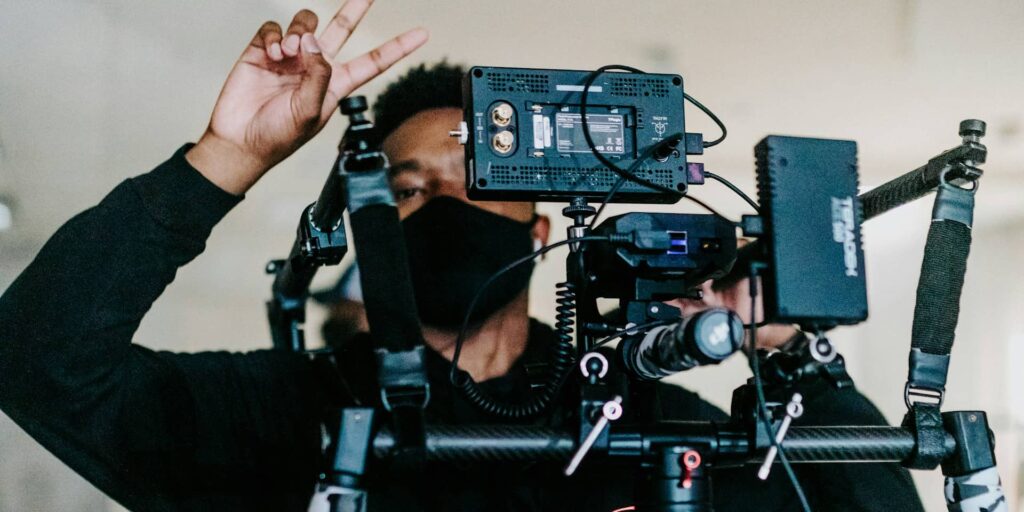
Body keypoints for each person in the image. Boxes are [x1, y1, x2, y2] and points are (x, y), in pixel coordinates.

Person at [0, 2, 923, 511]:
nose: (439, 202)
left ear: (539, 228)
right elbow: (38, 364)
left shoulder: (648, 418)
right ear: (368, 228)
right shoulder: (285, 413)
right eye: (407, 187)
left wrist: (795, 351)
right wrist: (223, 162)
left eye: (473, 178)